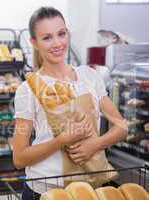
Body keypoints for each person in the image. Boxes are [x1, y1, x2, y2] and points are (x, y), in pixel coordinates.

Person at [13, 7, 127, 200]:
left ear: (68, 33)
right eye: (47, 37)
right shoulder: (28, 89)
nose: (57, 43)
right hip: (45, 189)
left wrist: (95, 144)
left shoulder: (90, 76)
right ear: (34, 42)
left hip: (90, 187)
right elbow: (19, 158)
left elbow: (121, 127)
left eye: (61, 34)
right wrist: (61, 140)